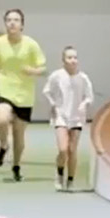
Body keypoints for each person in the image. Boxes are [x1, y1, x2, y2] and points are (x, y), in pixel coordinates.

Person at [0, 7, 46, 183]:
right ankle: (3, 144)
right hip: (3, 88)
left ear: (22, 25)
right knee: (1, 120)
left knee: (19, 134)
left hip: (24, 93)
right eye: (9, 20)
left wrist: (33, 71)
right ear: (5, 24)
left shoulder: (31, 44)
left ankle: (16, 166)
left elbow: (43, 68)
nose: (12, 23)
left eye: (16, 20)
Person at [41, 45, 94, 191]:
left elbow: (89, 97)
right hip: (61, 116)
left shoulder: (83, 78)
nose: (73, 60)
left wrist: (84, 104)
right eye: (69, 57)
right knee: (63, 149)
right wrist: (53, 104)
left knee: (72, 150)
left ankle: (70, 180)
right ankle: (59, 174)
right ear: (63, 60)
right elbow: (47, 91)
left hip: (76, 118)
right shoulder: (57, 75)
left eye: (75, 57)